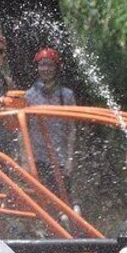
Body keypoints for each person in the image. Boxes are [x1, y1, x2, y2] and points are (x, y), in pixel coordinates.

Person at [24, 48, 77, 193]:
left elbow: (71, 129)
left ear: (56, 68)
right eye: (42, 65)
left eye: (50, 65)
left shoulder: (66, 95)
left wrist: (69, 159)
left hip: (59, 157)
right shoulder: (29, 96)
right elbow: (23, 129)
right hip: (36, 157)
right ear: (37, 68)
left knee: (63, 198)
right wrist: (25, 159)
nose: (45, 69)